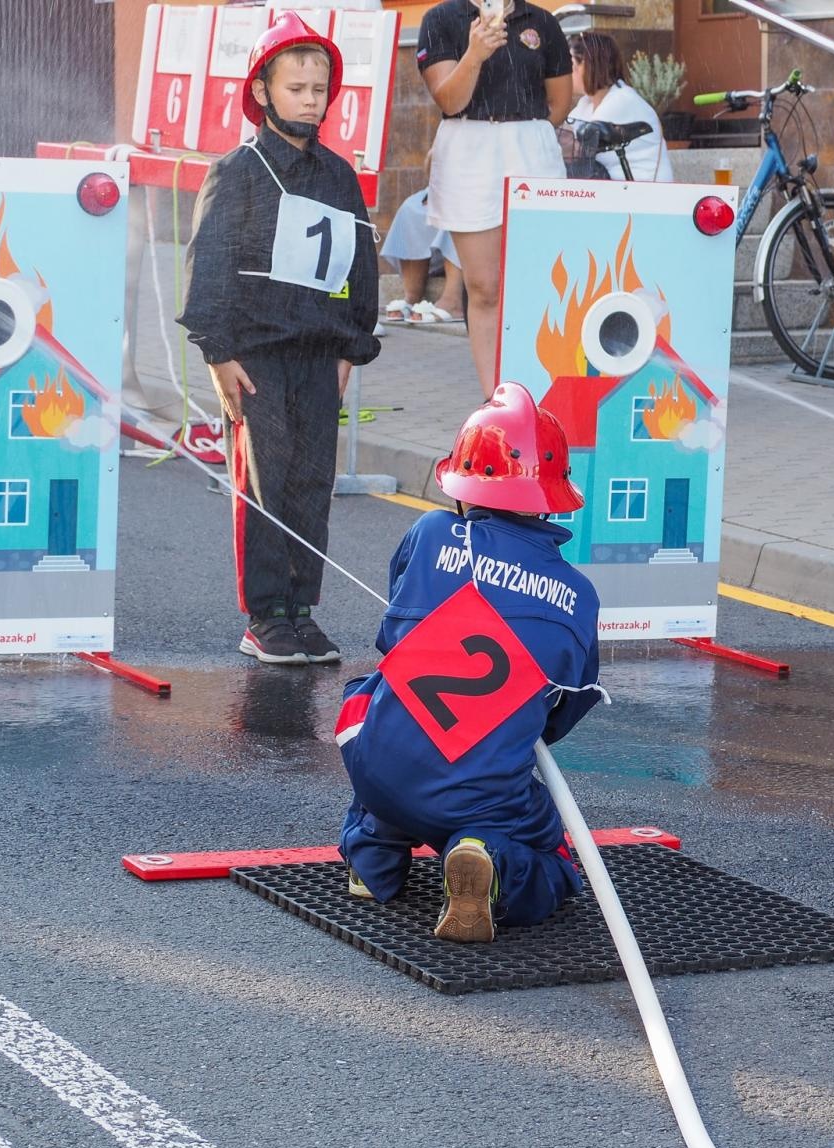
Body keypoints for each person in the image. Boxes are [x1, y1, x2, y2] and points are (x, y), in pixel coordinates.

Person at [336, 383, 602, 942]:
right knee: (554, 862)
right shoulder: (577, 597)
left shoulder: (431, 533)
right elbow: (561, 716)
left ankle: (373, 853)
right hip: (475, 794)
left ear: (463, 486)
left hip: (377, 764)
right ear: (553, 495)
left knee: (374, 692)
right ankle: (489, 860)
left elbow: (393, 639)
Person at [179, 14, 380, 666]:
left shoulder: (339, 177)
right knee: (265, 482)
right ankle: (265, 615)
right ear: (263, 91)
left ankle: (301, 608)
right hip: (257, 356)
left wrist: (353, 345)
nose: (310, 99)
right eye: (297, 88)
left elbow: (356, 267)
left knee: (310, 483)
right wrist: (218, 354)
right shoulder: (236, 170)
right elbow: (208, 264)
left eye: (319, 89)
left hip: (320, 356)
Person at [417, 0, 574, 396]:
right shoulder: (441, 20)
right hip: (469, 149)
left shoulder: (542, 22)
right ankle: (497, 398)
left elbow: (558, 103)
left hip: (531, 148)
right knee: (485, 284)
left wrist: (520, 130)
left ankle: (539, 384)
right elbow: (450, 101)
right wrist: (475, 54)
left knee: (539, 280)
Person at [567, 33, 673, 183]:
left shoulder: (622, 100)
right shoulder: (586, 103)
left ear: (587, 64)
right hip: (616, 190)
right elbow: (565, 133)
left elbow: (576, 148)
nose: (566, 72)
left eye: (571, 64)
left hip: (645, 193)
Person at [380, 175, 465, 325]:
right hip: (448, 183)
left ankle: (454, 301)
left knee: (458, 207)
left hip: (480, 189)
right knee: (412, 207)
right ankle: (412, 295)